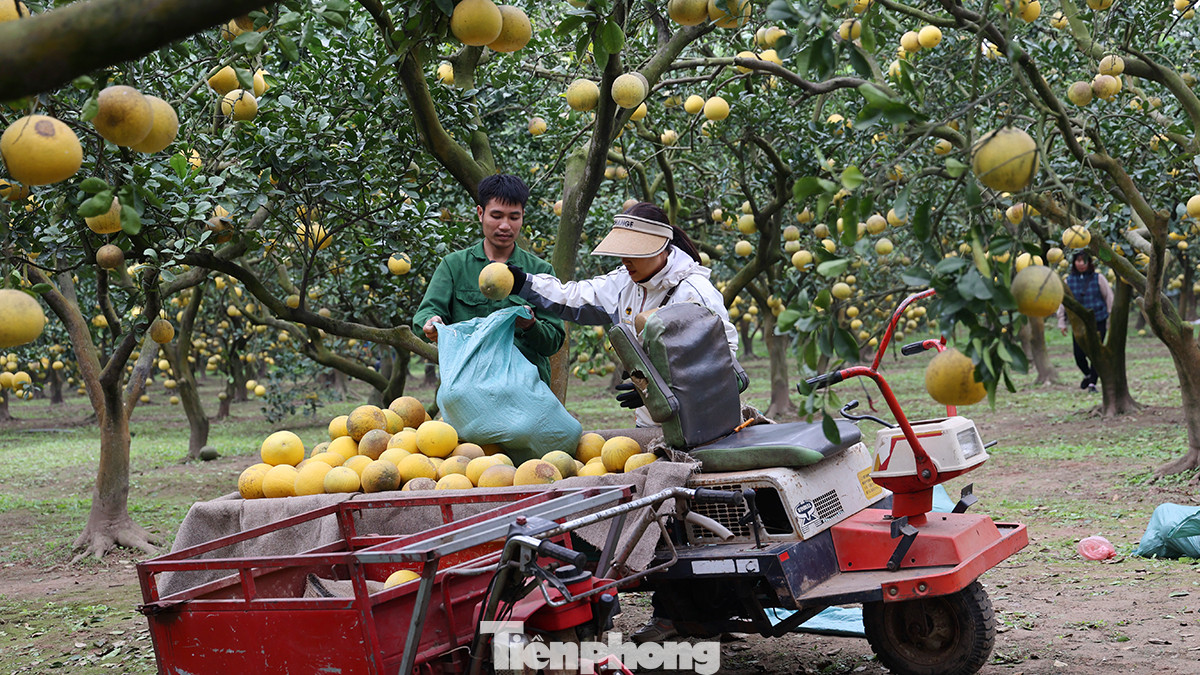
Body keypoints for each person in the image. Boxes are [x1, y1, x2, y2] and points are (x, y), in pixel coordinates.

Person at [506, 201, 738, 427]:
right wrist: (524, 283)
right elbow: (574, 296)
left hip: (701, 423)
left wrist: (669, 389)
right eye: (622, 251)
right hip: (650, 424)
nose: (625, 260)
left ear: (661, 248)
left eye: (635, 252)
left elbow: (725, 364)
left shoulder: (694, 292)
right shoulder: (624, 283)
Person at [412, 174, 564, 387]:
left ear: (522, 217)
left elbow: (554, 341)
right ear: (481, 213)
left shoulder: (540, 271)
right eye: (497, 215)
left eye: (513, 217)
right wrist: (431, 323)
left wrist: (531, 325)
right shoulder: (454, 266)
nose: (505, 225)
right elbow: (425, 315)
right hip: (468, 387)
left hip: (525, 391)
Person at [1056, 251, 1113, 393]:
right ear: (1074, 262)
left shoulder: (1099, 278)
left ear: (1089, 263)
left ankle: (1092, 384)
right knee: (1079, 354)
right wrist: (1061, 322)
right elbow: (1062, 303)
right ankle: (1088, 375)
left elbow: (1109, 297)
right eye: (1078, 261)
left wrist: (1111, 318)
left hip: (1098, 319)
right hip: (1078, 323)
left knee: (1096, 352)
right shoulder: (1068, 281)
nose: (1081, 264)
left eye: (1084, 261)